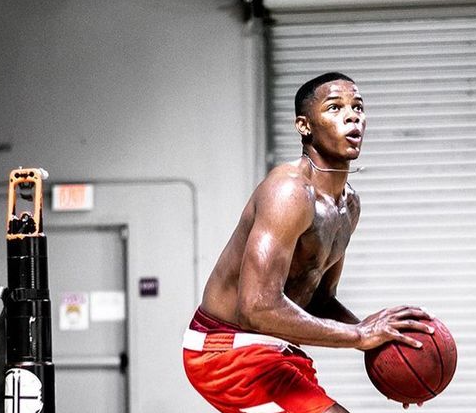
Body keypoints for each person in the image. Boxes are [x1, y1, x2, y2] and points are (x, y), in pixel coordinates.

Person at [183, 72, 434, 413]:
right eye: (335, 107)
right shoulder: (288, 192)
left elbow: (319, 299)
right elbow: (255, 308)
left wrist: (385, 346)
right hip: (223, 348)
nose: (352, 116)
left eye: (358, 107)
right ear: (304, 126)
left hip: (273, 347)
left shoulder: (348, 205)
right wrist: (359, 336)